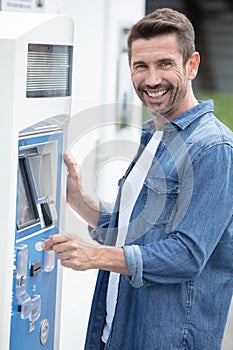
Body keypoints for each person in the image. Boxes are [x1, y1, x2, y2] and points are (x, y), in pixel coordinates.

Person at [42, 8, 233, 350]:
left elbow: (188, 254)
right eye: (140, 66)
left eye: (165, 64)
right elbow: (137, 226)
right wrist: (79, 200)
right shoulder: (155, 136)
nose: (152, 79)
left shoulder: (214, 148)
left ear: (191, 65)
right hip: (115, 330)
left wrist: (94, 256)